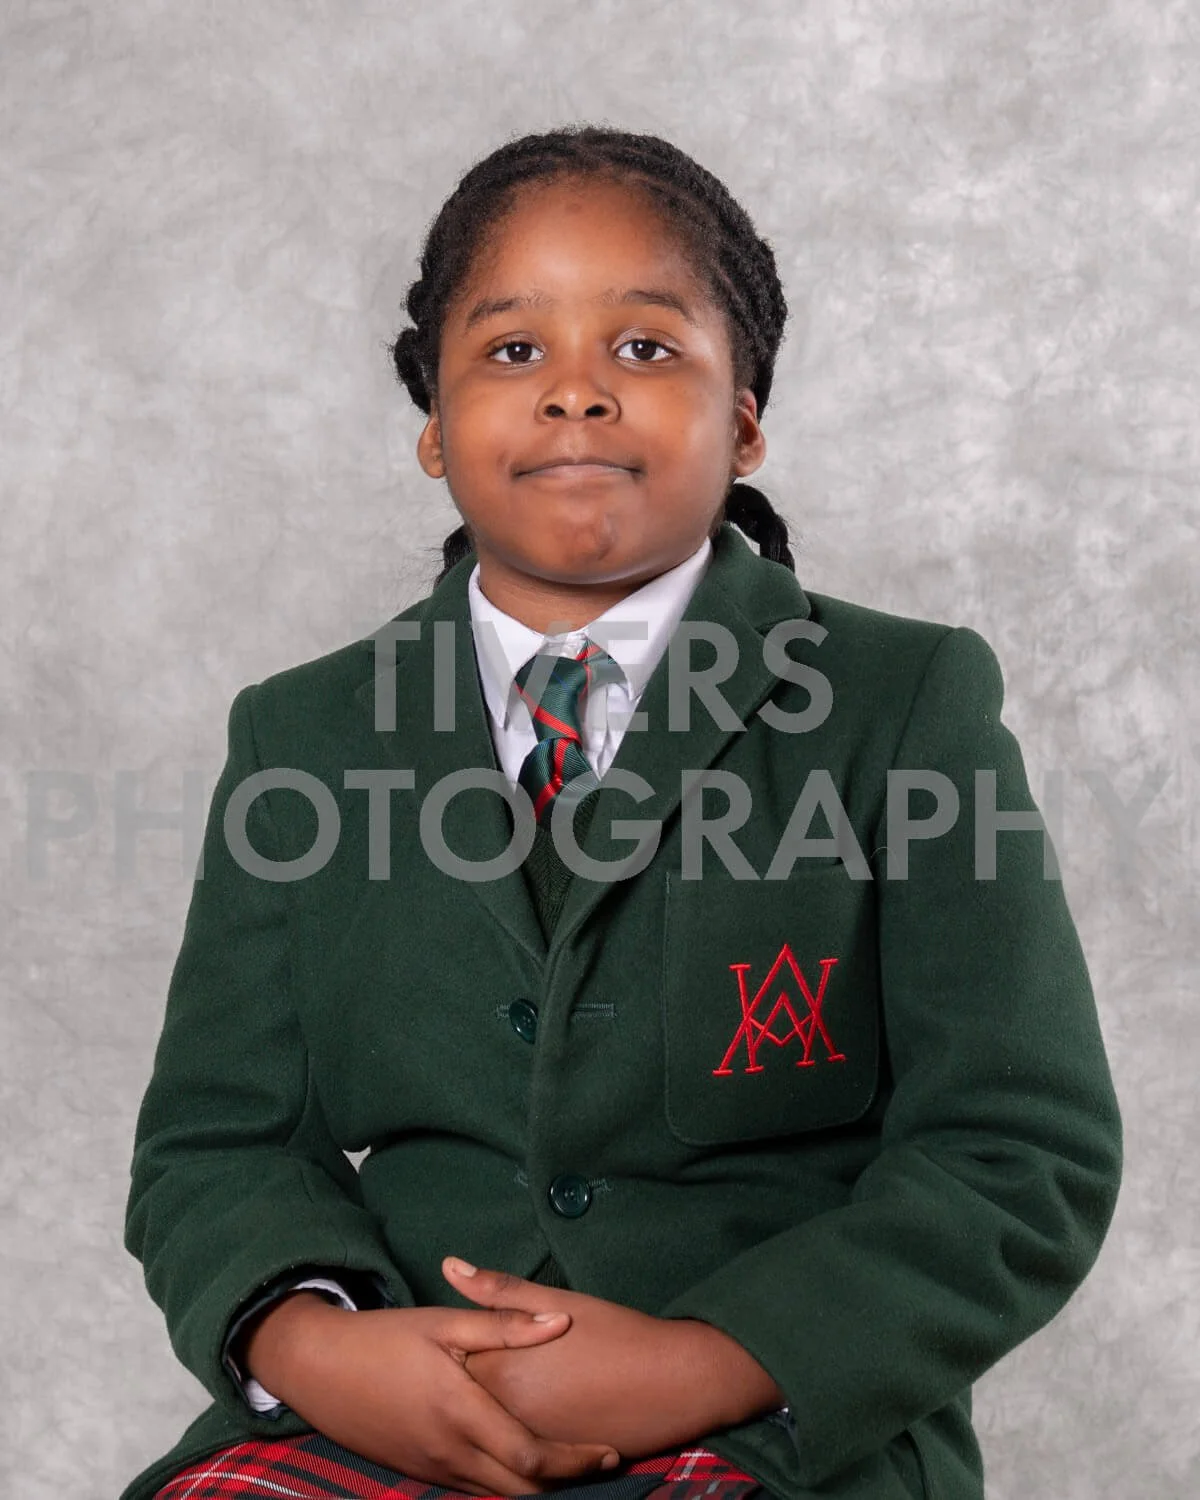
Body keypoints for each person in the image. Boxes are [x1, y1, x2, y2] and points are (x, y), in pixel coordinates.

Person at [120, 125, 1123, 1500]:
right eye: (513, 349)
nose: (576, 393)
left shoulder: (902, 704)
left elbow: (1021, 1151)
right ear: (433, 426)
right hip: (382, 1417)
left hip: (761, 1433)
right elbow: (213, 1145)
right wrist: (317, 1348)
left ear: (745, 419)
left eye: (645, 349)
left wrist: (709, 1361)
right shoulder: (303, 735)